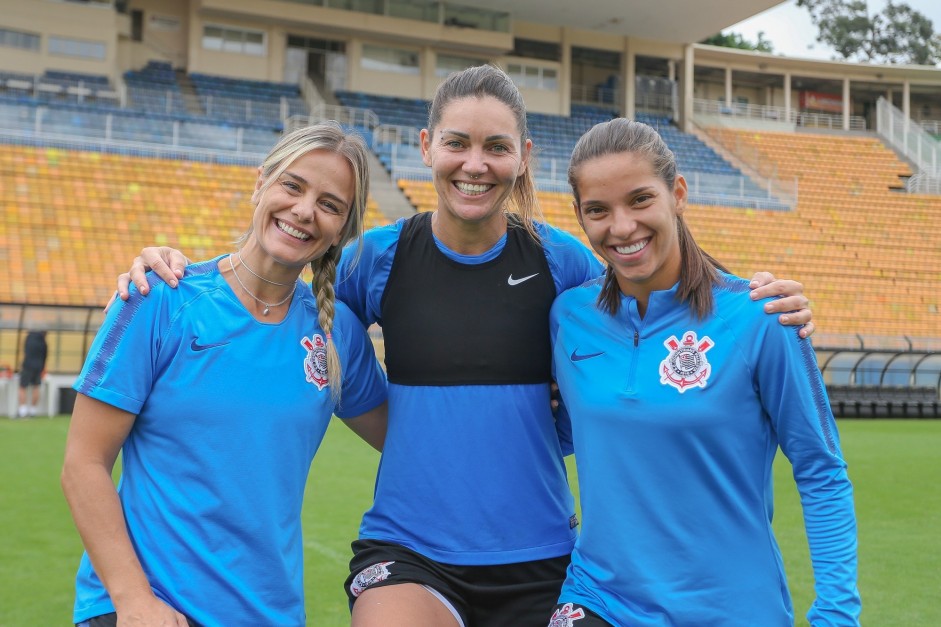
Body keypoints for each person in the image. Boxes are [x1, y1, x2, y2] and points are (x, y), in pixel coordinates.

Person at [113, 65, 815, 627]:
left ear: (522, 158)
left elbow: (651, 281)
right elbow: (288, 300)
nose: (473, 164)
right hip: (408, 547)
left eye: (495, 146)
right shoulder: (373, 260)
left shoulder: (564, 263)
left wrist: (756, 294)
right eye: (456, 142)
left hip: (546, 555)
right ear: (425, 147)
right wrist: (170, 262)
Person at [60, 122, 389, 627]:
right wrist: (133, 601)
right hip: (150, 610)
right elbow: (83, 462)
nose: (304, 211)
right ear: (261, 183)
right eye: (293, 186)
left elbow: (409, 440)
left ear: (343, 229)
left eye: (330, 204)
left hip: (271, 614)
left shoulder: (338, 333)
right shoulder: (160, 298)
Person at [547, 118, 860, 626]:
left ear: (678, 193)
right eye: (598, 210)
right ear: (580, 217)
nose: (622, 226)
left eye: (640, 200)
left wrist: (837, 614)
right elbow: (567, 429)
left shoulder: (762, 318)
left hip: (731, 608)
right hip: (599, 598)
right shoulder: (568, 318)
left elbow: (821, 470)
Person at [18, 330, 48, 418]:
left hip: (27, 366)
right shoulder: (43, 342)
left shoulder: (29, 339)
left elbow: (25, 352)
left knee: (22, 387)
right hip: (38, 367)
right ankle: (33, 411)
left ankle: (22, 411)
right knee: (36, 387)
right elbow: (45, 356)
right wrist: (42, 367)